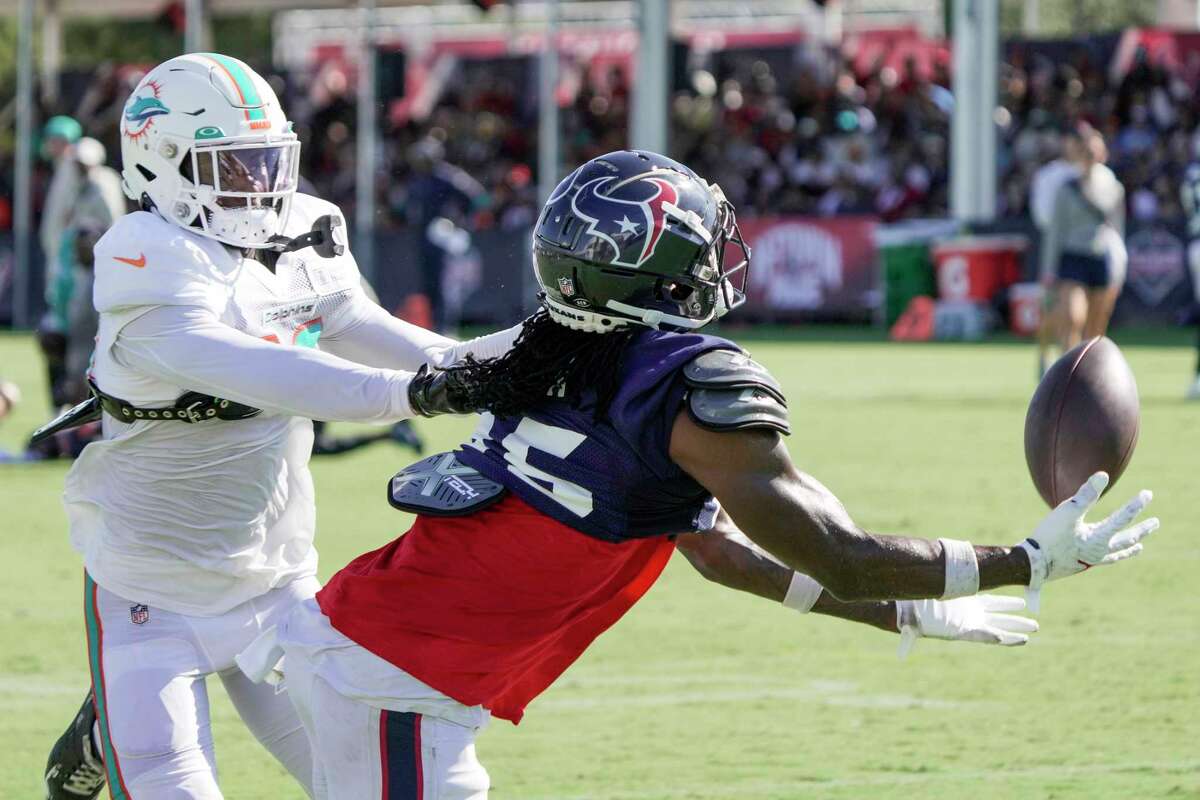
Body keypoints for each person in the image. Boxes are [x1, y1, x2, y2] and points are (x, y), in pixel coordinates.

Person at [238, 151, 1157, 799]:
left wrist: (907, 608)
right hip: (398, 687)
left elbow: (726, 555)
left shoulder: (552, 350)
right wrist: (1023, 561)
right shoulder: (688, 387)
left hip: (366, 649)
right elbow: (835, 551)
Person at [41, 53, 521, 800]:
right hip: (151, 591)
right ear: (163, 165)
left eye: (267, 163)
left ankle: (111, 721)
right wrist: (417, 395)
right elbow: (268, 371)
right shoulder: (144, 256)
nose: (260, 188)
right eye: (232, 167)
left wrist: (487, 366)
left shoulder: (301, 229)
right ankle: (109, 725)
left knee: (365, 783)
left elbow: (357, 321)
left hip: (277, 580)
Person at [1040, 126, 1127, 353]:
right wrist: (1049, 269)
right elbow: (1056, 230)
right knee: (1072, 316)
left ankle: (1090, 378)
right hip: (1073, 256)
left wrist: (1120, 267)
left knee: (1096, 328)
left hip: (1101, 257)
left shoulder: (1113, 187)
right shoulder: (1066, 189)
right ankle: (1067, 372)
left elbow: (1117, 231)